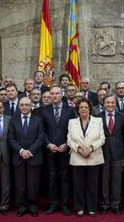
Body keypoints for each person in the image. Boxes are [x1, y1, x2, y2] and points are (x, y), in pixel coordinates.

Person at [67, 98, 105, 217]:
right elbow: (69, 139)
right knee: (78, 185)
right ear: (78, 110)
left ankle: (92, 207)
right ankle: (80, 207)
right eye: (81, 107)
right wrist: (78, 149)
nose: (83, 109)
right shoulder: (72, 122)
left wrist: (91, 148)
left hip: (93, 156)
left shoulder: (98, 121)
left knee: (92, 185)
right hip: (77, 157)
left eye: (86, 107)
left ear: (90, 109)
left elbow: (102, 139)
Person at [8, 97, 44, 217]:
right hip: (19, 157)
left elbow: (40, 138)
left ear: (31, 106)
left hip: (34, 157)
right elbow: (11, 138)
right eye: (22, 105)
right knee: (20, 184)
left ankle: (33, 206)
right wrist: (22, 151)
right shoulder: (13, 120)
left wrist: (29, 151)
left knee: (33, 184)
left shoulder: (38, 120)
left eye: (27, 105)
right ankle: (22, 206)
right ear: (19, 107)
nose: (24, 107)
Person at [43, 86, 77, 215]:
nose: (55, 96)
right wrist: (48, 144)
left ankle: (64, 204)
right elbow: (42, 130)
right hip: (50, 150)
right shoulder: (44, 110)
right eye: (52, 94)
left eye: (57, 93)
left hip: (65, 149)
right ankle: (53, 204)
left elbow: (73, 130)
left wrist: (67, 144)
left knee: (65, 178)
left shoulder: (70, 110)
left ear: (62, 95)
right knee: (52, 178)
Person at [99, 95, 124, 215]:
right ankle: (104, 204)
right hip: (102, 153)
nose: (110, 104)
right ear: (103, 104)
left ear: (115, 104)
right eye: (107, 102)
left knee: (117, 180)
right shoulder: (97, 117)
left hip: (118, 153)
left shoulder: (122, 117)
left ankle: (116, 203)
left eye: (112, 102)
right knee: (104, 180)